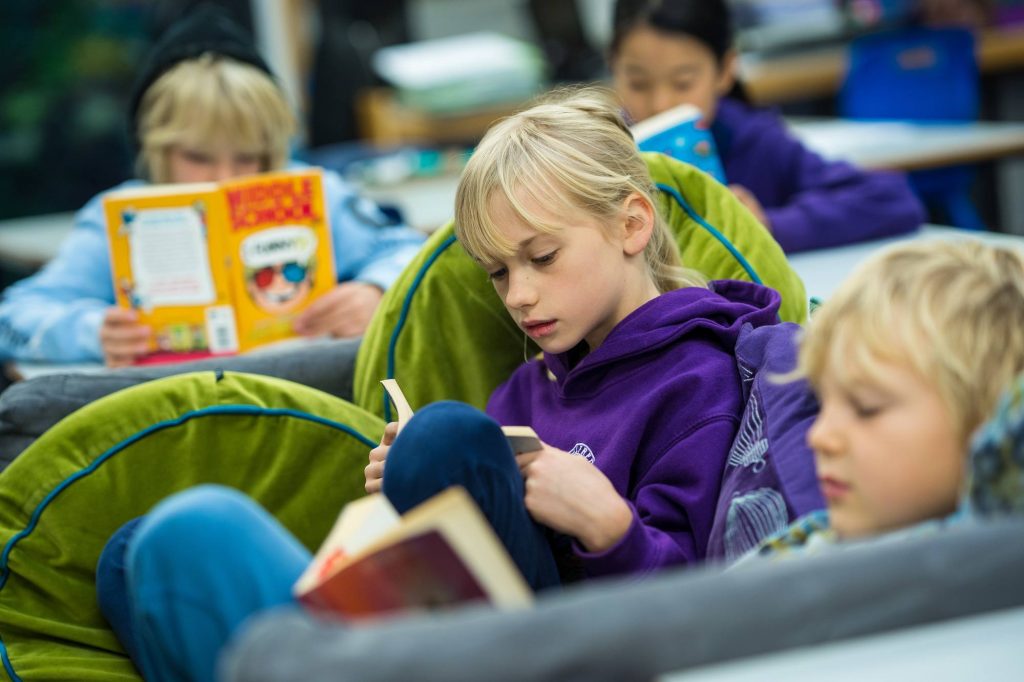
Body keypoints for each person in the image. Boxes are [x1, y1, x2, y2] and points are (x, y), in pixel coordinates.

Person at [94, 86, 787, 680]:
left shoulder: (700, 377)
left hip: (566, 647)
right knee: (131, 555)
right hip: (441, 633)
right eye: (498, 273)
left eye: (541, 258)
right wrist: (406, 501)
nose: (518, 295)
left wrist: (608, 525)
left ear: (632, 224)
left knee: (446, 437)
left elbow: (709, 612)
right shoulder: (525, 389)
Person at [0, 4, 425, 367]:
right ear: (157, 150)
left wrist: (375, 291)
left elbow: (412, 253)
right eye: (199, 157)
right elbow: (13, 317)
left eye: (247, 157)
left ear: (273, 151)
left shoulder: (315, 196)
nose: (226, 177)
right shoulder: (118, 217)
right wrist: (92, 332)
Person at [753, 238, 1024, 556]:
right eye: (824, 404)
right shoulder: (803, 546)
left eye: (866, 409)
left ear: (993, 417)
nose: (819, 436)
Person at [608, 0, 927, 253]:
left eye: (683, 82)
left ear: (726, 70)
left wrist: (769, 225)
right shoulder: (596, 147)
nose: (661, 104)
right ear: (613, 68)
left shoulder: (756, 140)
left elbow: (892, 199)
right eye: (638, 83)